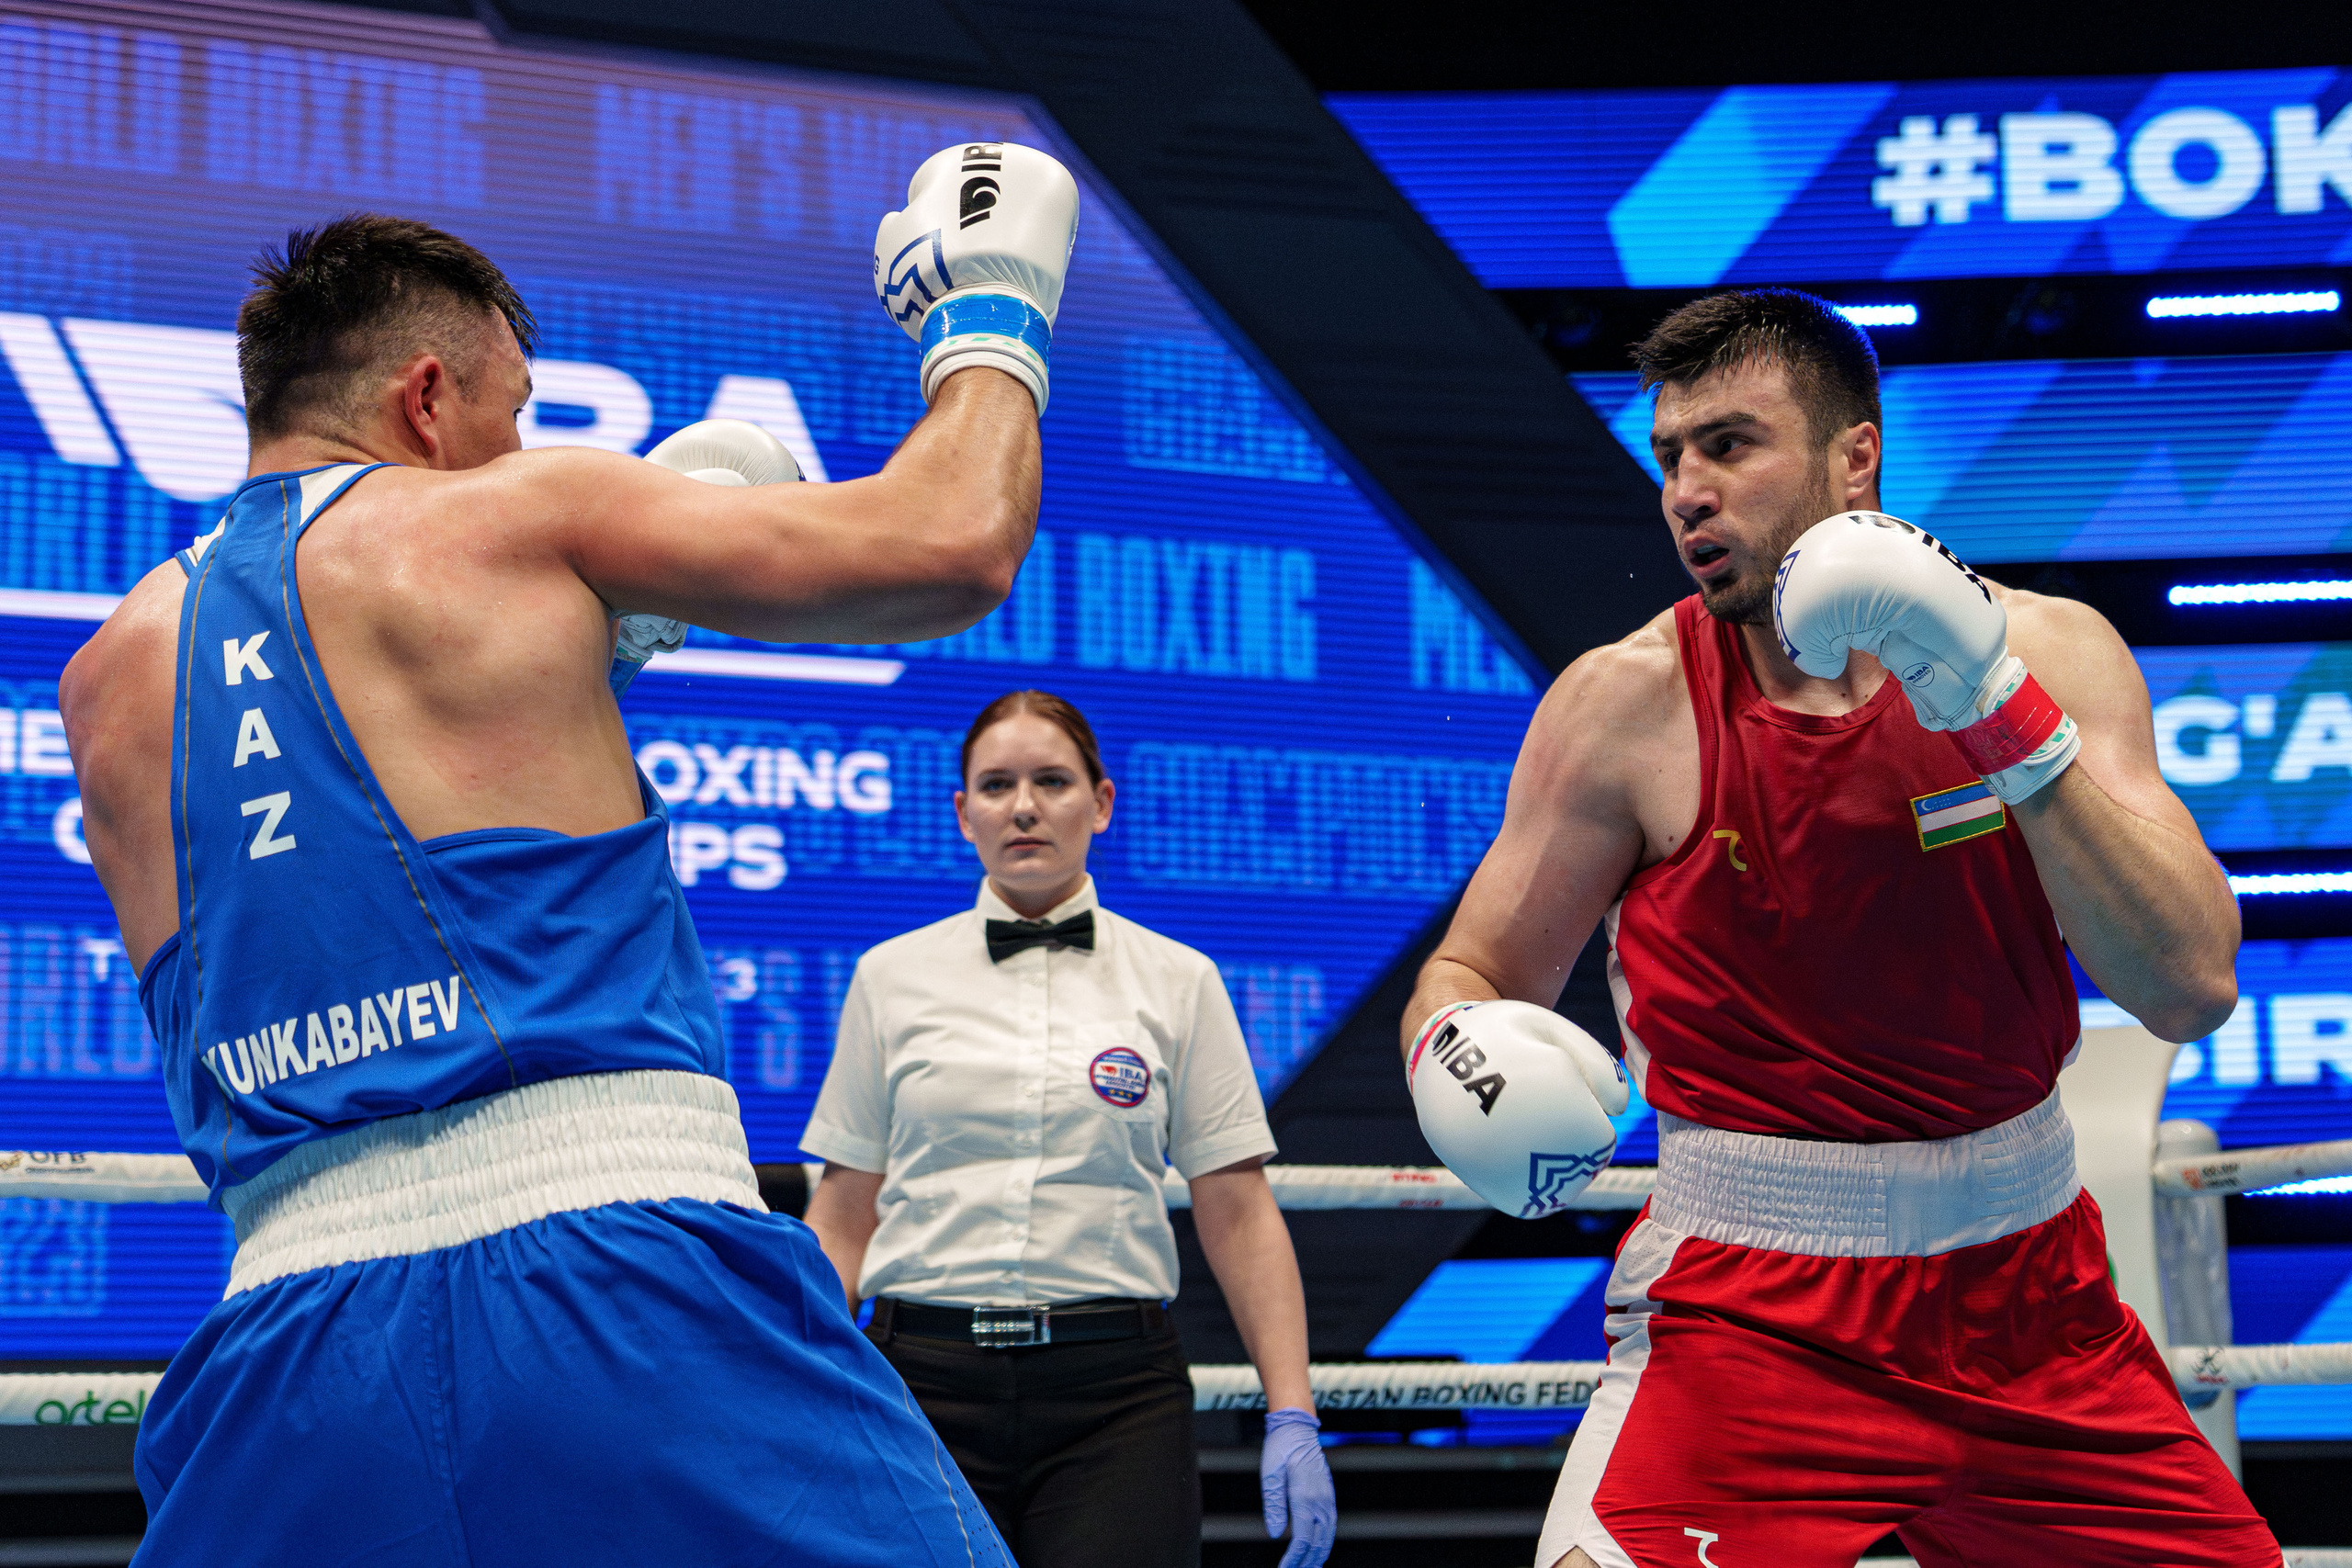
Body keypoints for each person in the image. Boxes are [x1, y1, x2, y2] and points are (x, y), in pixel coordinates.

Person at [60, 138, 1080, 1566]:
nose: (524, 450)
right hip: (622, 1275)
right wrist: (994, 310)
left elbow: (325, 893)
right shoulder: (514, 517)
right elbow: (952, 542)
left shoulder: (106, 683)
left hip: (289, 1339)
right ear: (426, 398)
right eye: (515, 412)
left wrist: (570, 674)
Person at [1399, 288, 2278, 1568]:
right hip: (1751, 1313)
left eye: (1731, 444)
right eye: (1671, 455)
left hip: (2031, 1301)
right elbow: (1470, 971)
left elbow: (2192, 982)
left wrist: (1988, 704)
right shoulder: (1626, 705)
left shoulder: (2052, 653)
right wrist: (1456, 1056)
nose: (1688, 489)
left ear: (1854, 455)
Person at [802, 690, 1337, 1568]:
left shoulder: (1180, 979)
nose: (1023, 806)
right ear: (961, 812)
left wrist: (1292, 1410)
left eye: (1051, 781)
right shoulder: (888, 977)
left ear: (1102, 802)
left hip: (1114, 1399)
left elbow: (1238, 1209)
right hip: (918, 1384)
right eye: (996, 784)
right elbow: (844, 1211)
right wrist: (807, 1378)